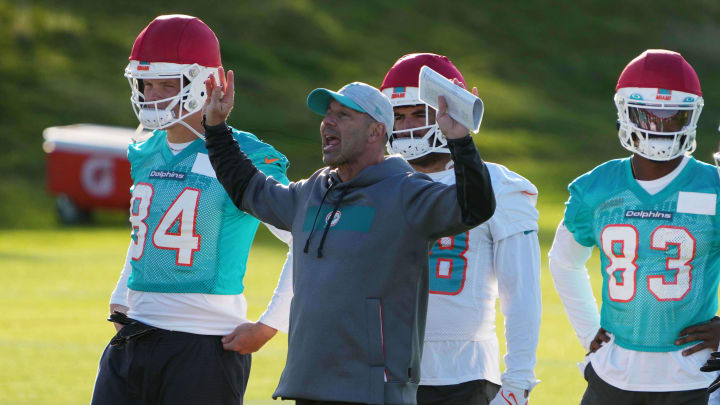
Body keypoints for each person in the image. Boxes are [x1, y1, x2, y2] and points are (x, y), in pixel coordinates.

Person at [202, 67, 496, 403]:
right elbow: (248, 189)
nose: (328, 122)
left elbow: (474, 207)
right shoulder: (312, 191)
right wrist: (216, 127)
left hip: (374, 391)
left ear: (375, 132)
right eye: (327, 115)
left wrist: (460, 141)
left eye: (343, 115)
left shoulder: (406, 193)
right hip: (308, 385)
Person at [90, 14, 291, 404]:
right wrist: (123, 290)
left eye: (167, 83)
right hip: (134, 335)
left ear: (205, 83)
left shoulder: (244, 156)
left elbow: (307, 238)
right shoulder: (146, 149)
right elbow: (144, 233)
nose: (153, 95)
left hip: (204, 344)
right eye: (146, 83)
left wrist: (270, 325)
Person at [548, 49, 720, 405]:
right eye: (649, 114)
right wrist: (587, 333)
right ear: (625, 112)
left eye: (673, 115)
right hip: (614, 373)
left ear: (691, 116)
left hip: (693, 377)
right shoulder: (596, 186)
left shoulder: (713, 186)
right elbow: (564, 261)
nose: (660, 125)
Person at [378, 53, 541, 405]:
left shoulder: (498, 185)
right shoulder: (376, 180)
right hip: (381, 369)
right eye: (398, 115)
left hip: (464, 375)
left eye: (418, 114)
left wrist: (518, 380)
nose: (406, 127)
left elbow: (522, 292)